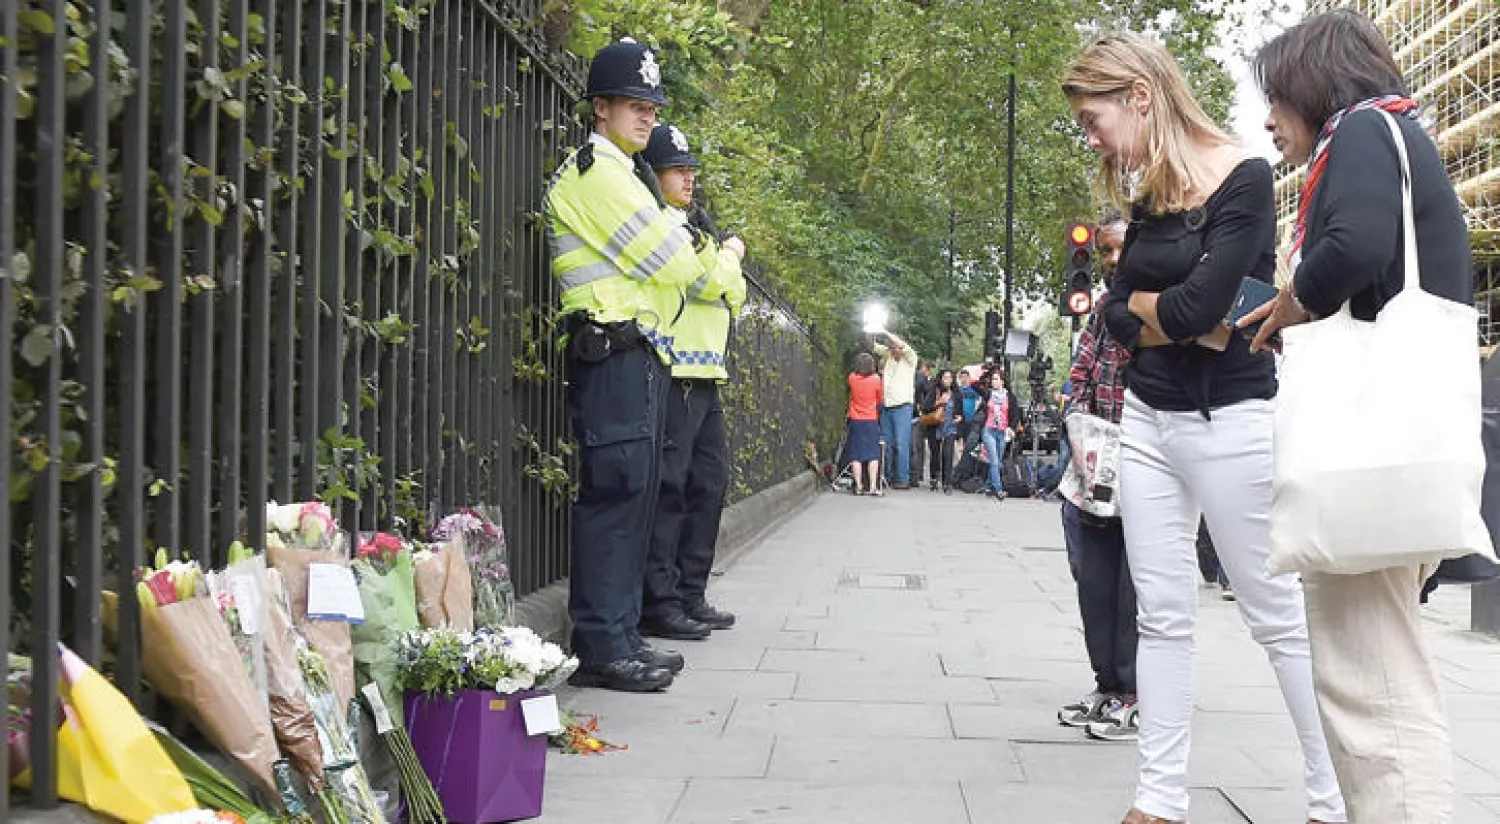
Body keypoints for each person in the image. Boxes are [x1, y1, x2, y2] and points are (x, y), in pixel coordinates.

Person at [1063, 33, 1345, 824]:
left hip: (1233, 418)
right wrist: (1172, 315)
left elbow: (1194, 308)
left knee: (1274, 613)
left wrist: (1164, 311)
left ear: (1140, 98)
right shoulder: (1150, 192)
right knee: (1161, 614)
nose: (1092, 139)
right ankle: (1158, 799)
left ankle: (1331, 798)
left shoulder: (1247, 178)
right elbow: (1121, 314)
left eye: (1094, 120)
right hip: (1146, 418)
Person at [1243, 12, 1471, 820]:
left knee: (1374, 686)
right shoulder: (1392, 134)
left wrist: (1287, 306)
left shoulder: (1366, 131)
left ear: (1315, 82)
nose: (1269, 119)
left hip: (1371, 447)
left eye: (1275, 97)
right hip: (1394, 441)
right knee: (1373, 676)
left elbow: (1358, 244)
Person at [547, 39, 745, 693]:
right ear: (599, 107)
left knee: (635, 496)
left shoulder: (625, 175)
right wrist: (678, 247)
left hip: (636, 353)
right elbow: (678, 264)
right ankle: (603, 644)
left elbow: (681, 259)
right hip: (611, 350)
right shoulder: (595, 173)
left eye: (651, 107)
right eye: (633, 104)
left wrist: (678, 247)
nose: (645, 117)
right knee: (617, 496)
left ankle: (621, 633)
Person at [639, 123, 747, 643]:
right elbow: (709, 283)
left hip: (707, 374)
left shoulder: (694, 228)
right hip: (677, 367)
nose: (687, 179)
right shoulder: (663, 225)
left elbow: (736, 295)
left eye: (690, 171)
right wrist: (731, 257)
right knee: (673, 488)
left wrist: (725, 270)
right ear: (653, 174)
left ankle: (690, 593)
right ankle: (661, 601)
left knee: (710, 484)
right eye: (677, 170)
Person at [1056, 213, 1140, 743]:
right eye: (1105, 252)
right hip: (1094, 465)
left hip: (1145, 462)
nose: (1110, 261)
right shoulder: (1104, 311)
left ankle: (1135, 693)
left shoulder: (1163, 305)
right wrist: (1078, 423)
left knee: (1133, 590)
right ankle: (1106, 684)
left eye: (1119, 250)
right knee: (1094, 582)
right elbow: (1082, 371)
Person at [873, 331, 919, 489]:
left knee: (901, 444)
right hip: (887, 407)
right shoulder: (888, 356)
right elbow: (871, 346)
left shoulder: (910, 358)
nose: (892, 350)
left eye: (895, 347)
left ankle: (903, 478)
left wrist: (885, 331)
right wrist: (872, 330)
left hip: (903, 407)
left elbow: (902, 346)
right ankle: (886, 476)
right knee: (886, 443)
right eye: (890, 347)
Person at [846, 352, 884, 495]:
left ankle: (859, 486)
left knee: (856, 454)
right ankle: (873, 486)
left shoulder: (851, 378)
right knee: (873, 454)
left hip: (855, 419)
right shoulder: (876, 379)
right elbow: (880, 399)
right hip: (871, 419)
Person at [923, 369, 959, 492]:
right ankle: (934, 477)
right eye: (945, 378)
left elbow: (960, 411)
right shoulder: (935, 391)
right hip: (935, 427)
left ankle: (947, 483)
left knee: (948, 455)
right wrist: (939, 402)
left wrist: (959, 417)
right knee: (935, 455)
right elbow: (925, 408)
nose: (947, 380)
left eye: (950, 378)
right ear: (941, 379)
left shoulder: (956, 393)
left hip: (950, 428)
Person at [979, 368, 1012, 500]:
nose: (994, 382)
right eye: (992, 379)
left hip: (1002, 431)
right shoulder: (988, 394)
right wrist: (988, 371)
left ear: (1002, 381)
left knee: (997, 461)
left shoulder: (1009, 396)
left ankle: (988, 486)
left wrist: (1011, 428)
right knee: (994, 460)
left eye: (997, 379)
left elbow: (1014, 414)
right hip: (989, 430)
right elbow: (975, 385)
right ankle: (999, 490)